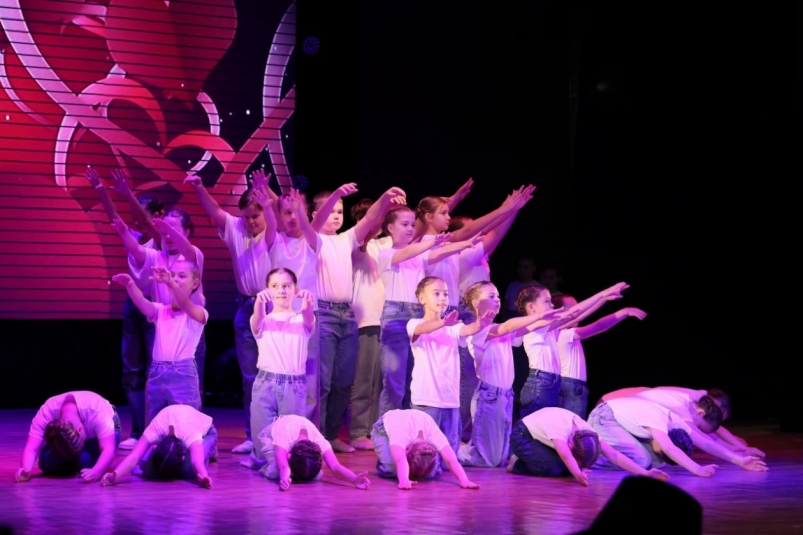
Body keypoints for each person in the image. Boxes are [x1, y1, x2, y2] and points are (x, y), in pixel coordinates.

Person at [309, 183, 406, 452]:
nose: (336, 216)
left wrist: (385, 197)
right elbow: (316, 222)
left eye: (340, 211)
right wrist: (336, 194)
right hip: (324, 314)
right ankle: (316, 437)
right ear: (316, 214)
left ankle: (331, 436)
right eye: (331, 211)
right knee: (323, 382)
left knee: (343, 381)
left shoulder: (346, 239)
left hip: (347, 315)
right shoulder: (313, 237)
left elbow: (370, 219)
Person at [184, 170, 276, 454]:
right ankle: (253, 435)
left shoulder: (274, 231)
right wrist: (199, 186)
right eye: (246, 217)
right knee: (249, 376)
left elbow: (280, 213)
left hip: (273, 307)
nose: (250, 222)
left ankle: (276, 434)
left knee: (274, 373)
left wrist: (267, 195)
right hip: (245, 306)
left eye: (255, 216)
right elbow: (214, 210)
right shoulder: (236, 228)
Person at [377, 206, 482, 417]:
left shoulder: (420, 255)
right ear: (390, 228)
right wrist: (432, 241)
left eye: (412, 224)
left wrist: (466, 243)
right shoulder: (386, 254)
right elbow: (407, 252)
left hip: (418, 316)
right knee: (394, 380)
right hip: (396, 316)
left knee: (414, 377)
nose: (410, 228)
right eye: (404, 224)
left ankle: (413, 426)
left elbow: (440, 252)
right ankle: (388, 427)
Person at [85, 167, 163, 449]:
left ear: (156, 216)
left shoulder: (160, 239)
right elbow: (114, 217)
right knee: (131, 369)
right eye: (135, 217)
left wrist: (127, 192)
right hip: (133, 306)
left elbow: (147, 222)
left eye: (142, 217)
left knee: (154, 369)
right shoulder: (133, 236)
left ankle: (154, 429)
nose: (137, 222)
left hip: (153, 306)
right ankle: (138, 430)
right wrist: (100, 189)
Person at [457, 281, 565, 467]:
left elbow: (524, 327)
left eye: (498, 296)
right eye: (491, 296)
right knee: (488, 460)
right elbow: (507, 327)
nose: (497, 300)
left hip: (505, 396)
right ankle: (451, 449)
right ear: (476, 303)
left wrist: (551, 317)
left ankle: (461, 447)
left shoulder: (500, 328)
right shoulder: (478, 330)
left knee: (499, 460)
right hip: (489, 397)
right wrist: (540, 315)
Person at [407, 276, 492, 462]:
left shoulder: (453, 327)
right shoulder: (414, 323)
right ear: (422, 298)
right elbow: (422, 329)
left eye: (445, 294)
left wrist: (480, 324)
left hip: (450, 401)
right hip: (427, 400)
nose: (442, 298)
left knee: (448, 457)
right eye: (436, 294)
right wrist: (443, 323)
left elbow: (467, 330)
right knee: (425, 457)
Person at [111, 261, 207, 426]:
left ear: (195, 283)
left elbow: (184, 304)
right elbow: (143, 303)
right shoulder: (161, 310)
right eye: (172, 275)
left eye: (182, 276)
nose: (175, 279)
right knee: (154, 423)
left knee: (186, 424)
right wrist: (131, 285)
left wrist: (170, 282)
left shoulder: (198, 312)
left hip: (183, 375)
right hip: (156, 373)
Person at [515, 282, 628, 419]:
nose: (551, 305)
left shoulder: (549, 328)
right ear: (531, 307)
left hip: (550, 384)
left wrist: (603, 299)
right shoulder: (534, 326)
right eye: (546, 301)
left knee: (548, 428)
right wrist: (603, 294)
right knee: (534, 428)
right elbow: (573, 313)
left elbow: (576, 316)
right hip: (540, 384)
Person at [245, 268, 316, 471]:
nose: (281, 291)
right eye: (275, 286)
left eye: (286, 286)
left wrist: (307, 302)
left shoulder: (301, 320)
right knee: (261, 436)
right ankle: (260, 461)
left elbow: (308, 316)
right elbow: (257, 318)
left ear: (295, 289)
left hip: (293, 386)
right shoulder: (263, 320)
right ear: (267, 290)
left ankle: (278, 466)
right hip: (265, 384)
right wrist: (259, 302)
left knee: (290, 437)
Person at [602, 387, 767, 470]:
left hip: (628, 414)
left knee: (657, 461)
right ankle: (596, 457)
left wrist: (739, 450)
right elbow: (704, 441)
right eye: (699, 427)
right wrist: (738, 458)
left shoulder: (694, 405)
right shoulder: (684, 407)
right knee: (643, 460)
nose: (698, 430)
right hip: (610, 410)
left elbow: (709, 435)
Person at [507, 407, 669, 486]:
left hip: (544, 440)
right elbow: (565, 456)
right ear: (570, 445)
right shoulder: (559, 429)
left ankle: (535, 458)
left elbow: (614, 455)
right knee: (554, 468)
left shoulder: (589, 433)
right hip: (523, 436)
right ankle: (516, 463)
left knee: (567, 469)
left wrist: (645, 473)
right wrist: (578, 475)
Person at [552, 293, 648, 418]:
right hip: (571, 386)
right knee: (573, 425)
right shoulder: (566, 334)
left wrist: (603, 299)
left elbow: (586, 312)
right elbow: (599, 326)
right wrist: (623, 312)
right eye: (574, 309)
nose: (579, 312)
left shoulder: (555, 333)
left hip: (566, 384)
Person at [348, 199, 392, 450]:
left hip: (386, 319)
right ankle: (357, 431)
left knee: (381, 380)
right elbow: (365, 235)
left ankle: (374, 428)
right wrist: (383, 206)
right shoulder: (357, 244)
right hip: (365, 319)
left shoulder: (386, 243)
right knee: (364, 378)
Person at [587, 397, 719, 477]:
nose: (659, 453)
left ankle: (609, 454)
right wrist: (697, 469)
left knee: (657, 462)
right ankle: (587, 458)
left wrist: (733, 458)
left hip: (619, 422)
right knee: (642, 461)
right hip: (604, 416)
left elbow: (706, 443)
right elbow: (669, 448)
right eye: (661, 452)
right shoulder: (659, 423)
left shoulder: (676, 424)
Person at [101, 404, 217, 489]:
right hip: (176, 421)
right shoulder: (156, 428)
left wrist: (204, 477)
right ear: (155, 446)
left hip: (206, 432)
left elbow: (197, 462)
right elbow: (135, 455)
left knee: (189, 472)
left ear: (182, 457)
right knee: (147, 468)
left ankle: (212, 450)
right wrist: (114, 476)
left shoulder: (191, 434)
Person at [15, 391, 121, 483]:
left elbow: (108, 450)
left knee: (84, 461)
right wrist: (26, 470)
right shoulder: (47, 413)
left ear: (80, 429)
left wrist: (96, 472)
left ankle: (75, 462)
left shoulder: (96, 411)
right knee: (45, 462)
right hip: (64, 439)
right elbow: (32, 448)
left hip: (103, 436)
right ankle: (74, 463)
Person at [255, 414, 370, 491]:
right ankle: (264, 466)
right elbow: (284, 466)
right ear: (289, 456)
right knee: (276, 473)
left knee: (315, 475)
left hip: (294, 445)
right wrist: (284, 478)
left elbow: (335, 466)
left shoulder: (320, 441)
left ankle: (297, 472)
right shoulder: (283, 437)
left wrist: (354, 480)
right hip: (272, 436)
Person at [372, 409, 479, 490]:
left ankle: (395, 457)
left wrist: (464, 480)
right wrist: (404, 480)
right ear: (406, 450)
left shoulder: (433, 434)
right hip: (383, 428)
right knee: (392, 469)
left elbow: (452, 460)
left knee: (429, 474)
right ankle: (384, 460)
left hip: (412, 422)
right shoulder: (401, 434)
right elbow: (401, 460)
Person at [502, 256, 537, 321]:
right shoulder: (512, 286)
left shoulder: (537, 287)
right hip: (511, 318)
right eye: (520, 267)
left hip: (528, 318)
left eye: (526, 267)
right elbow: (505, 306)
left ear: (533, 269)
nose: (522, 270)